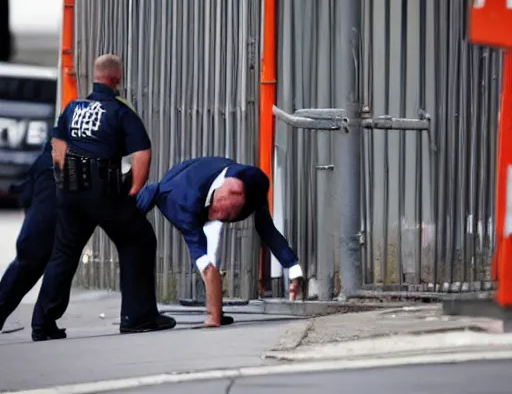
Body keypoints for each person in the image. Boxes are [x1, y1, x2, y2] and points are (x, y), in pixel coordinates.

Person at [31, 54, 175, 341]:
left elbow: (57, 145)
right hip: (104, 192)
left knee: (64, 254)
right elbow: (142, 154)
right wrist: (133, 191)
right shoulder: (120, 111)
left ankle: (42, 323)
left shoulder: (73, 107)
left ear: (95, 77)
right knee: (139, 239)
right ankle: (138, 317)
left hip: (70, 191)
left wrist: (63, 182)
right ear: (117, 79)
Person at [136, 156, 304, 328]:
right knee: (200, 260)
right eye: (220, 212)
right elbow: (206, 267)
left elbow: (267, 228)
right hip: (176, 190)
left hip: (214, 174)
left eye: (231, 215)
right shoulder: (181, 206)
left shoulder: (251, 186)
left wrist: (292, 266)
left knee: (216, 245)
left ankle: (216, 306)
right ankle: (140, 311)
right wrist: (213, 316)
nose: (220, 218)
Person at [0, 141, 55, 333]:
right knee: (34, 258)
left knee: (49, 259)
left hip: (50, 175)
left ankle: (44, 323)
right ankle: (43, 323)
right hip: (55, 175)